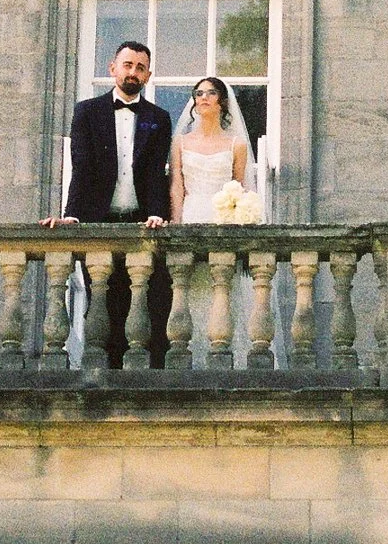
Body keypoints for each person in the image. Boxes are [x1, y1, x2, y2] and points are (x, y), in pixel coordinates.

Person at [45, 39, 173, 367]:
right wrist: (72, 215)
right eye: (127, 65)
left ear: (148, 75)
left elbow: (158, 174)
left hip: (142, 221)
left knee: (148, 302)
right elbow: (81, 166)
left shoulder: (159, 118)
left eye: (140, 67)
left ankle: (151, 380)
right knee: (102, 301)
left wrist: (158, 213)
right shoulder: (86, 112)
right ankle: (105, 377)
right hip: (100, 221)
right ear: (112, 68)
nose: (133, 72)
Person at [169, 75, 252, 225]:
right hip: (190, 213)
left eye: (212, 93)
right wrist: (176, 220)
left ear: (223, 102)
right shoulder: (180, 142)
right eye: (199, 94)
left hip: (223, 217)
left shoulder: (237, 145)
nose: (204, 97)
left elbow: (238, 186)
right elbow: (177, 185)